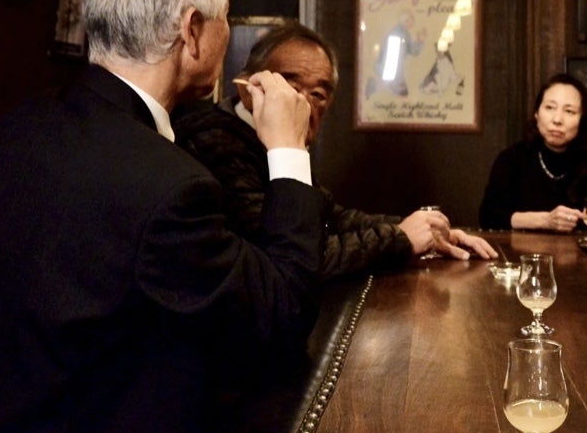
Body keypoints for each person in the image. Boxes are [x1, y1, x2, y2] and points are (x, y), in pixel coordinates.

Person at [0, 0, 327, 433]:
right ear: (192, 31)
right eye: (226, 16)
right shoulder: (170, 188)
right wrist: (289, 151)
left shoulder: (13, 128)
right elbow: (280, 314)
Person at [174, 22, 497, 274]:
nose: (303, 104)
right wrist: (400, 238)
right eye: (289, 86)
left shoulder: (277, 143)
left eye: (318, 94)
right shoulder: (216, 142)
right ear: (248, 89)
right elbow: (289, 257)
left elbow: (329, 217)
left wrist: (428, 230)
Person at [479, 73, 587, 233]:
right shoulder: (511, 160)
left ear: (583, 120)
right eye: (550, 108)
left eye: (569, 111)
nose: (557, 119)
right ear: (537, 114)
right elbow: (488, 217)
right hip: (523, 249)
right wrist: (545, 221)